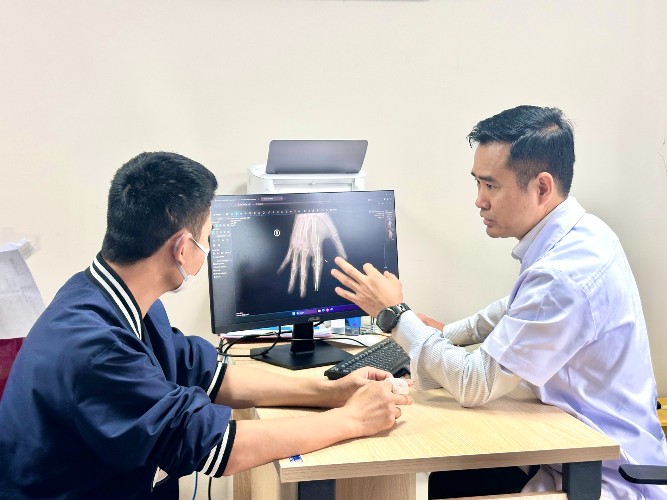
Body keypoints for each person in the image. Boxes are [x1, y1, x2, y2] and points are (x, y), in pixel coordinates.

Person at [0, 151, 412, 499]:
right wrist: (352, 420)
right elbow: (215, 447)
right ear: (183, 248)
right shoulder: (95, 345)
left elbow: (209, 375)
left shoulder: (110, 296)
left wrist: (330, 392)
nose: (210, 248)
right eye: (209, 236)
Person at [331, 105, 667, 499]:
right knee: (444, 479)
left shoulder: (564, 274)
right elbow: (513, 307)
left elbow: (474, 384)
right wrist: (445, 333)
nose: (479, 200)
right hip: (569, 446)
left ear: (541, 188)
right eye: (477, 183)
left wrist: (394, 315)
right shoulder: (582, 234)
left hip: (603, 475)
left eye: (491, 186)